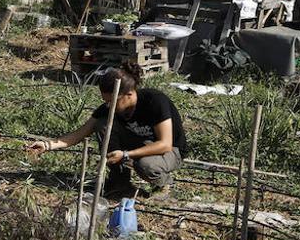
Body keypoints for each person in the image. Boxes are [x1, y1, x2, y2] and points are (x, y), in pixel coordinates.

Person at [26, 62, 186, 196]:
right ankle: (120, 181)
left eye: (113, 101)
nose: (108, 105)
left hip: (170, 150)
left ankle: (165, 185)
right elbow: (81, 133)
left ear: (129, 94)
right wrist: (47, 145)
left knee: (146, 166)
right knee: (102, 125)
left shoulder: (155, 101)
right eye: (106, 101)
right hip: (141, 144)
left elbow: (165, 144)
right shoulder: (110, 108)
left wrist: (125, 155)